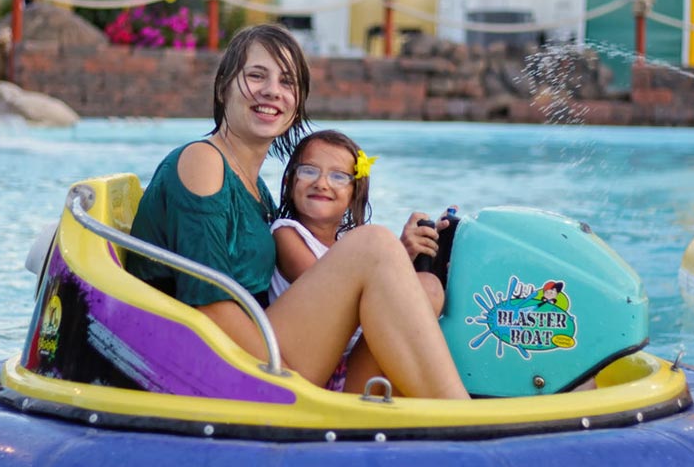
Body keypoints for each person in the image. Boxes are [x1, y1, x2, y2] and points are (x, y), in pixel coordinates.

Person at [126, 24, 468, 400]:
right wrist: (284, 379)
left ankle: (381, 406)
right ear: (223, 86)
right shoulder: (203, 160)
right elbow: (209, 302)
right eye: (257, 75)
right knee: (372, 245)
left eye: (286, 82)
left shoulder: (257, 193)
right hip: (231, 365)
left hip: (264, 349)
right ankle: (462, 418)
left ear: (297, 102)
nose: (272, 90)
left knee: (425, 286)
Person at [268, 129, 447, 392]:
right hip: (312, 368)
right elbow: (337, 294)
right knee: (378, 250)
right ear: (289, 182)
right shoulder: (286, 233)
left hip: (351, 368)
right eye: (308, 171)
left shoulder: (347, 245)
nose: (322, 182)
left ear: (355, 192)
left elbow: (381, 302)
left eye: (338, 176)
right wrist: (398, 252)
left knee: (428, 286)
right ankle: (450, 403)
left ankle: (424, 390)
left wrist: (418, 254)